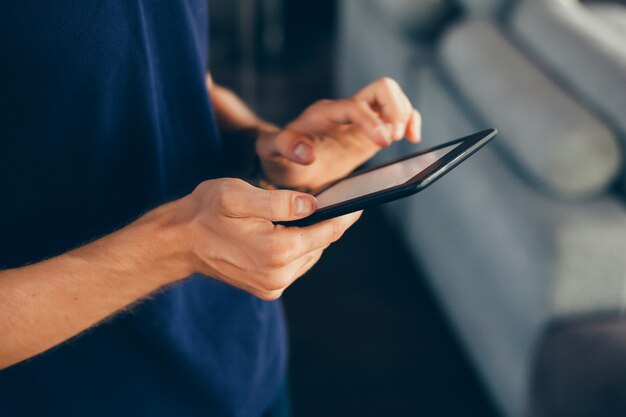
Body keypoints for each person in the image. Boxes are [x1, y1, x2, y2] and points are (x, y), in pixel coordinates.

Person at [0, 2, 421, 416]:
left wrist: (269, 146)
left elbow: (183, 75)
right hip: (86, 393)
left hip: (245, 362)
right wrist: (178, 245)